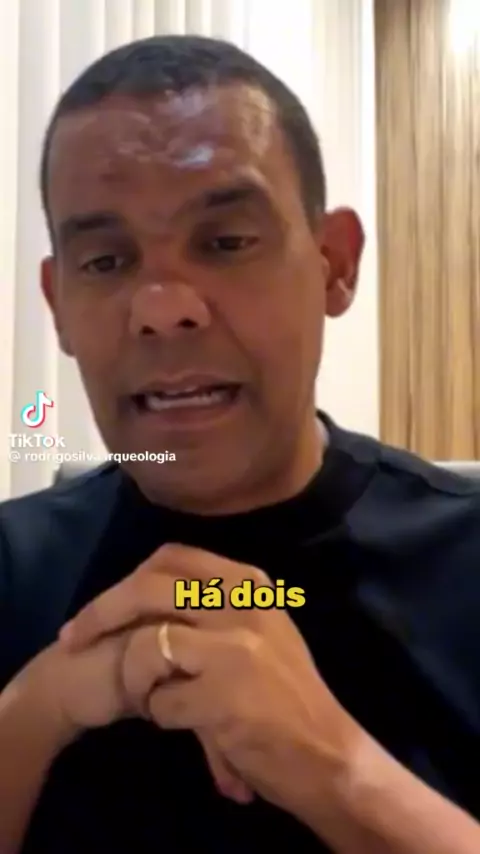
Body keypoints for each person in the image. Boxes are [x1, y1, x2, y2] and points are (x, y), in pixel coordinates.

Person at [0, 34, 479, 854]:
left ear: (333, 264)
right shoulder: (14, 569)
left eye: (225, 243)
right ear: (58, 306)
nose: (162, 308)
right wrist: (36, 711)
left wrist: (339, 773)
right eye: (106, 261)